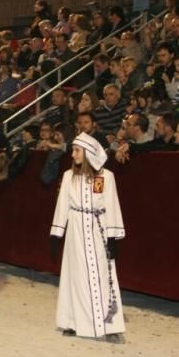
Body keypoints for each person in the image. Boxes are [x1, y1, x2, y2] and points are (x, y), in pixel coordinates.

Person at [49, 133, 125, 343]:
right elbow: (62, 204)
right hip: (75, 231)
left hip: (97, 230)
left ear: (88, 153)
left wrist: (112, 237)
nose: (72, 154)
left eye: (76, 150)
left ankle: (109, 327)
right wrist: (56, 234)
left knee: (103, 275)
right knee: (74, 276)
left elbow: (112, 205)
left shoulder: (106, 177)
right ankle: (72, 322)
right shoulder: (68, 176)